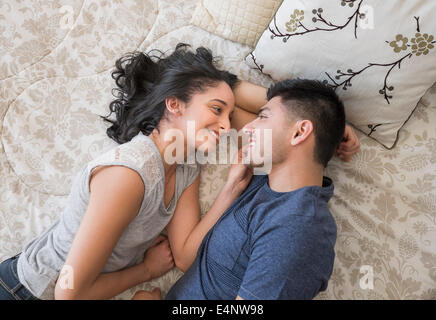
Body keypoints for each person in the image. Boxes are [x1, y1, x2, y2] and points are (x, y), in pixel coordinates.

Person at [0, 43, 253, 300]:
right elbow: (69, 294)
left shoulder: (185, 168)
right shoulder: (129, 175)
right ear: (174, 104)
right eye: (217, 109)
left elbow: (185, 256)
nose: (226, 125)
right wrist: (145, 270)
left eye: (230, 117)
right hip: (26, 291)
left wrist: (231, 188)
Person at [133, 78, 360, 300]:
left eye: (262, 116)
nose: (247, 127)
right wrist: (332, 124)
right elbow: (219, 87)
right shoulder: (263, 182)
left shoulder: (299, 229)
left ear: (300, 133)